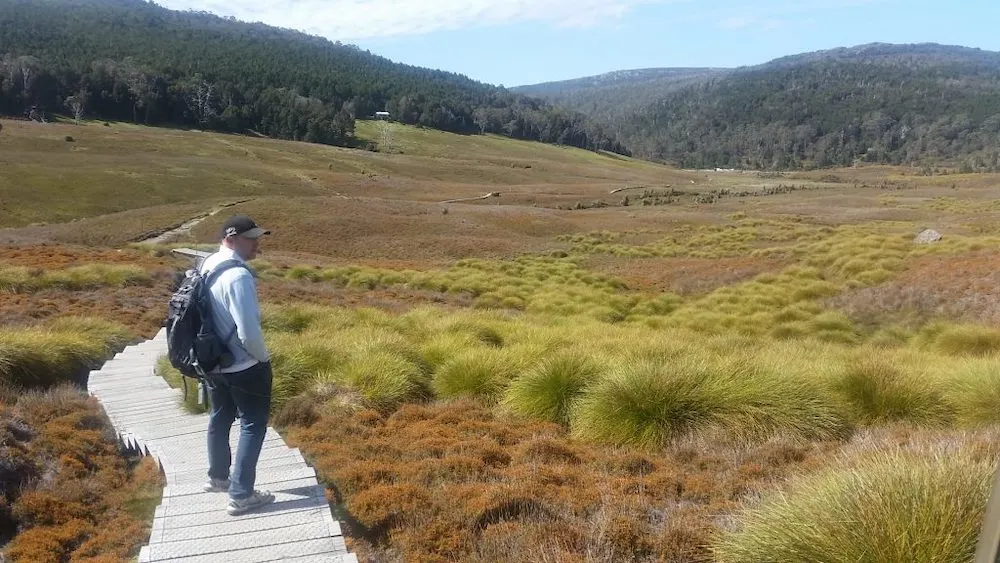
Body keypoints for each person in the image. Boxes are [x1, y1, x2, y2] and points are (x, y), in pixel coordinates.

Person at [199, 214, 276, 515]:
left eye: (258, 237)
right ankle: (241, 494)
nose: (257, 244)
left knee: (220, 416)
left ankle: (219, 478)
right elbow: (248, 332)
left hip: (212, 361)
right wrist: (263, 359)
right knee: (253, 424)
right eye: (251, 238)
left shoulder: (208, 264)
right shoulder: (239, 277)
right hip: (243, 365)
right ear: (231, 238)